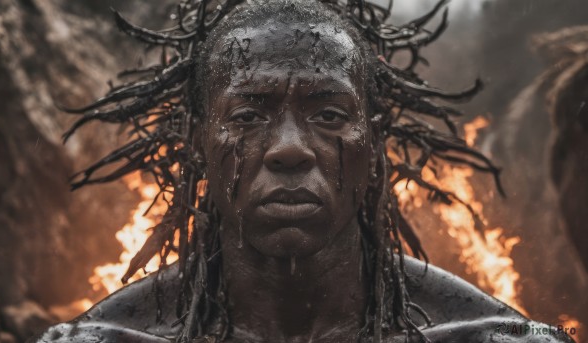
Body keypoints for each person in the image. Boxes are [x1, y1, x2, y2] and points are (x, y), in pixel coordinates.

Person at [33, 0, 575, 342]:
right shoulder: (101, 340)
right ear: (198, 142)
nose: (289, 149)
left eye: (329, 114)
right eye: (247, 115)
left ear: (374, 142)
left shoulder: (495, 340)